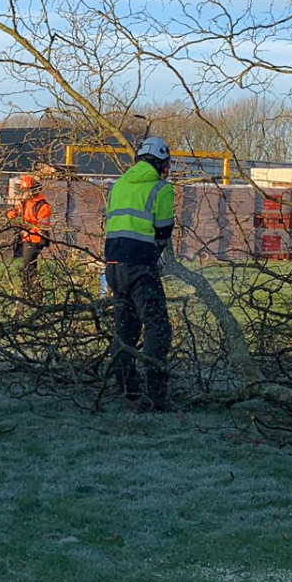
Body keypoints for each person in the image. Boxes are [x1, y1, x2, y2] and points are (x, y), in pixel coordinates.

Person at [103, 136, 176, 412]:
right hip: (141, 268)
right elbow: (163, 232)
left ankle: (125, 389)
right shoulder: (161, 189)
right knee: (158, 328)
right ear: (160, 163)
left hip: (113, 265)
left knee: (125, 329)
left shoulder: (118, 184)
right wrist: (156, 255)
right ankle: (156, 395)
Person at [6, 173, 53, 302]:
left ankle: (34, 293)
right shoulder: (26, 203)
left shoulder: (43, 206)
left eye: (26, 190)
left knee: (29, 266)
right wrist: (9, 215)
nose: (25, 193)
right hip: (28, 238)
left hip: (36, 239)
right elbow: (14, 213)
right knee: (29, 266)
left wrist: (28, 228)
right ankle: (30, 291)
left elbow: (42, 225)